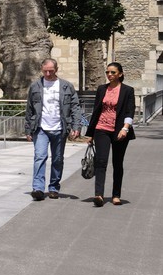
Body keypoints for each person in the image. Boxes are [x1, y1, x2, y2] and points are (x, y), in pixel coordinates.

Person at [23, 56, 81, 200]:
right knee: (40, 157)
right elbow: (29, 109)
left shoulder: (66, 86)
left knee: (57, 159)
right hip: (40, 128)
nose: (48, 74)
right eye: (45, 71)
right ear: (41, 70)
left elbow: (75, 107)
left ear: (56, 69)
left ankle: (54, 187)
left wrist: (76, 126)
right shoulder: (36, 86)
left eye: (51, 71)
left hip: (60, 128)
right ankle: (38, 188)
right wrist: (28, 130)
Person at [84, 61, 137, 207]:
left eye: (113, 72)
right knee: (101, 161)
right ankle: (99, 194)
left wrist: (125, 129)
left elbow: (129, 111)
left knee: (117, 163)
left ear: (120, 74)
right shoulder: (102, 89)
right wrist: (91, 133)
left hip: (120, 131)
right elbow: (96, 111)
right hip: (101, 128)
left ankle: (116, 195)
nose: (109, 75)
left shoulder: (127, 90)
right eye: (108, 72)